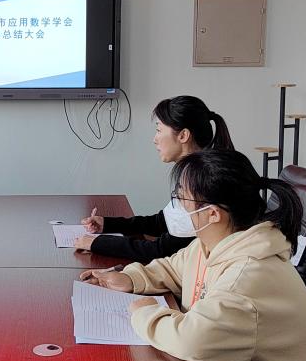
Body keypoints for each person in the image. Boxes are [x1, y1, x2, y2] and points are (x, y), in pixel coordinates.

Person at [79, 149, 306, 361]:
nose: (180, 206)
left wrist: (144, 312)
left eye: (183, 197)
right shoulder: (217, 243)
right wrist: (129, 278)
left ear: (213, 213)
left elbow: (191, 341)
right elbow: (174, 267)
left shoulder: (247, 280)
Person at [76, 95, 234, 262]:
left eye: (159, 130)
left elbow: (163, 252)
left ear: (183, 136)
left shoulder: (201, 181)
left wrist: (97, 243)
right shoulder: (192, 172)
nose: (154, 139)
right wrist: (107, 224)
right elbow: (163, 222)